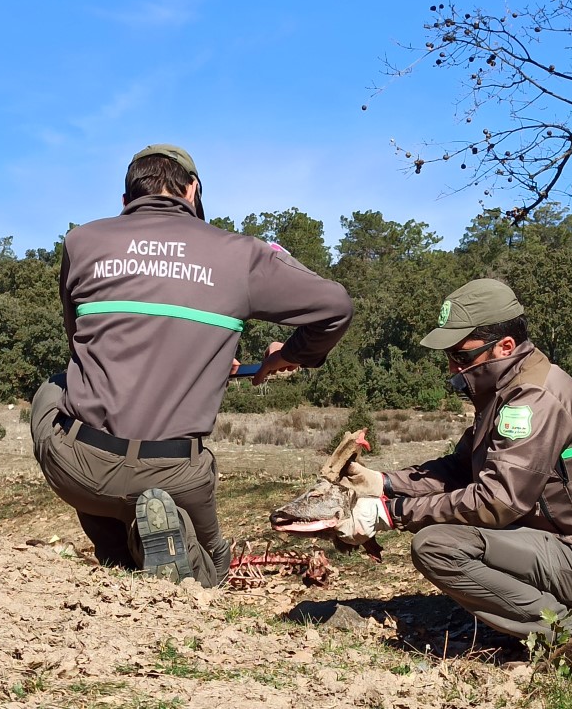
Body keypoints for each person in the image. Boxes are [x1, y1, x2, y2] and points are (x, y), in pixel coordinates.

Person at [30, 143, 353, 588]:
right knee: (214, 562)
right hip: (175, 473)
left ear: (126, 202)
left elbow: (85, 349)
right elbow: (335, 306)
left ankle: (118, 556)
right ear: (193, 190)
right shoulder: (240, 254)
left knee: (58, 385)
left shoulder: (82, 241)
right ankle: (180, 552)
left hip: (81, 468)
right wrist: (289, 355)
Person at [335, 278, 572, 640]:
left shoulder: (534, 398)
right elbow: (459, 470)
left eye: (462, 356)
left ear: (505, 346)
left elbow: (497, 501)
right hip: (560, 546)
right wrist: (384, 483)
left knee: (437, 546)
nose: (453, 368)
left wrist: (392, 514)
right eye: (449, 356)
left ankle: (569, 634)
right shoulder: (506, 388)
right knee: (446, 536)